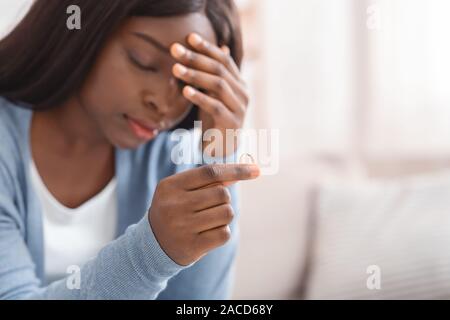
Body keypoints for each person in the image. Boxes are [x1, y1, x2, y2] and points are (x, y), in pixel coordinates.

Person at [0, 0, 259, 299]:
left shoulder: (170, 156)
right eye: (144, 61)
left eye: (189, 82)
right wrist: (151, 254)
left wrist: (218, 158)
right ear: (81, 32)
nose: (164, 103)